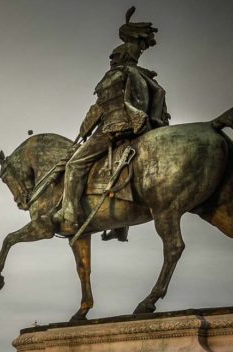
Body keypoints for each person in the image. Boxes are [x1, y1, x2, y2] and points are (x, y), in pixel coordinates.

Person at [54, 8, 168, 240]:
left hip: (116, 128)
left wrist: (84, 129)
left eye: (113, 57)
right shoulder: (147, 78)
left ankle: (69, 212)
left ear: (120, 57)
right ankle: (119, 226)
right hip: (143, 130)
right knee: (119, 169)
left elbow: (102, 107)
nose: (111, 60)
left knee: (74, 164)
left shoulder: (116, 75)